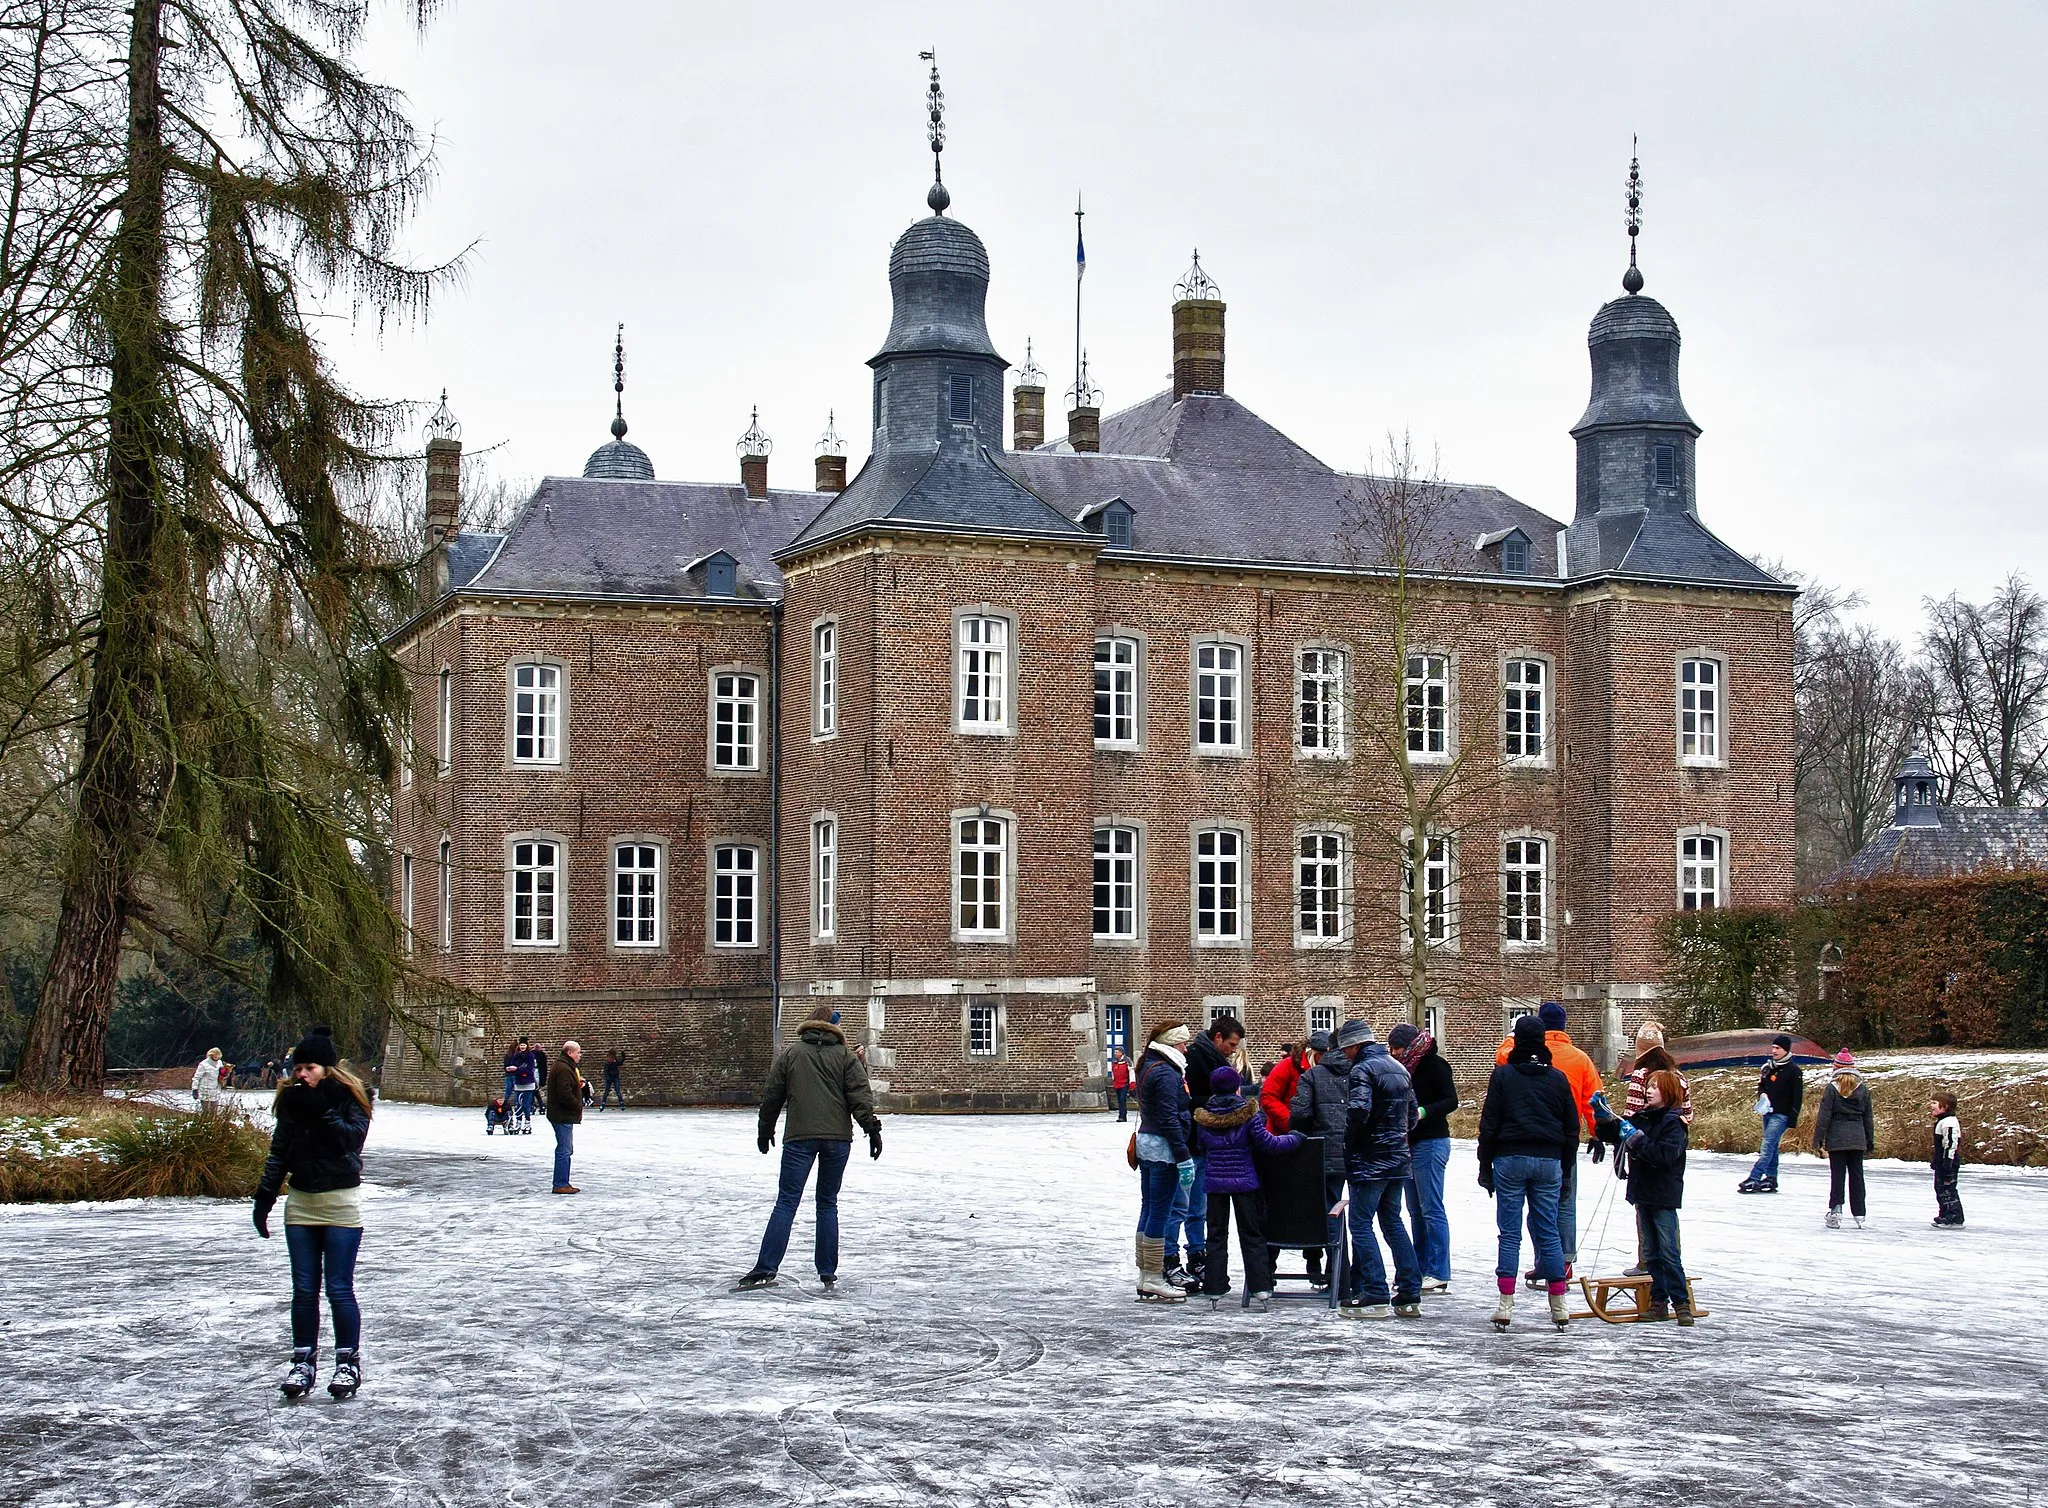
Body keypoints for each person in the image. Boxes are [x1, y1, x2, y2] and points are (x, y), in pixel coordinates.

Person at [252, 1026, 372, 1399]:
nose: (301, 1074)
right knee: (304, 1290)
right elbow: (280, 1152)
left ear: (327, 1069)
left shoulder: (352, 1097)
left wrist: (322, 1111)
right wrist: (265, 1196)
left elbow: (352, 1140)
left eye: (309, 1068)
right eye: (297, 1068)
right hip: (302, 1202)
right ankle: (302, 1360)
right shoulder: (291, 1102)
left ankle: (347, 1363)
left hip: (340, 1201)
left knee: (338, 1287)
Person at [739, 1006, 883, 1290]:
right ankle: (827, 1271)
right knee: (827, 1203)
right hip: (837, 1139)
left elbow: (772, 1096)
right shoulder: (845, 1057)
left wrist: (764, 1129)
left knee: (787, 1202)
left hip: (799, 1137)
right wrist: (872, 1129)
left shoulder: (792, 1055)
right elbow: (859, 1096)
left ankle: (765, 1268)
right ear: (833, 1027)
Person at [1477, 1014, 1580, 1329]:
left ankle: (1505, 1303)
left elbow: (1489, 1124)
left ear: (1517, 1042)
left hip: (1510, 1158)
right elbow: (1571, 1129)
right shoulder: (1558, 1079)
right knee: (1548, 1231)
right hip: (1549, 1161)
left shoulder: (1504, 1076)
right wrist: (1565, 1169)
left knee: (1509, 1233)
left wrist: (1485, 1165)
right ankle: (1559, 1304)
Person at [1494, 1001, 1599, 1282]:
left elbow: (1503, 1056)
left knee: (1524, 1214)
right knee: (1563, 1205)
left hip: (1517, 1145)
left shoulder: (1519, 1056)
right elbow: (1593, 1101)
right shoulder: (1580, 1059)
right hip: (1563, 1143)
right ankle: (1562, 1264)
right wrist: (1597, 1133)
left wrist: (1511, 1035)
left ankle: (1540, 1260)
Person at [1193, 1066, 1303, 1308]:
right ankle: (1261, 1286)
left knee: (1215, 1236)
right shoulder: (1248, 1113)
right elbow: (1268, 1143)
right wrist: (1295, 1138)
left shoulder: (1203, 1118)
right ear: (1236, 1086)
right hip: (1244, 1181)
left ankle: (1214, 1287)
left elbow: (1202, 1146)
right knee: (1252, 1235)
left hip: (1215, 1183)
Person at [1334, 1020, 1421, 1319]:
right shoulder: (1400, 1067)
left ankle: (1375, 1291)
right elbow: (1412, 1116)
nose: (1345, 1055)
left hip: (1370, 1160)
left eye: (1346, 1049)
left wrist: (1352, 1143)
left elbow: (1358, 1110)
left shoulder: (1362, 1070)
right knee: (1392, 1221)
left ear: (1355, 1045)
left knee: (1360, 1223)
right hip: (1397, 1158)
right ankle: (1410, 1289)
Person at [1596, 1068, 1694, 1324]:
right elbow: (1615, 1132)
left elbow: (1663, 1156)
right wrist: (1604, 1117)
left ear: (1669, 1092)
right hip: (1642, 1194)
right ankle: (1658, 1302)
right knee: (1651, 1253)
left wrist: (1637, 1140)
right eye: (1648, 1086)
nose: (1648, 1091)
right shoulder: (1643, 1117)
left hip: (1663, 1196)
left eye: (1655, 1087)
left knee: (1668, 1251)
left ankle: (1681, 1303)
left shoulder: (1674, 1123)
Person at [1128, 1021, 1194, 1302]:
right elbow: (1169, 1118)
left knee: (1149, 1208)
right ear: (1170, 1044)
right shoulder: (1166, 1073)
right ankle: (1153, 1276)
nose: (1185, 1048)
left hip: (1147, 1143)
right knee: (1160, 1212)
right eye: (1181, 1044)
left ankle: (1146, 1275)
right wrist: (1183, 1156)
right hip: (1163, 1148)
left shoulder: (1148, 1066)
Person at [1175, 1015, 1242, 1289]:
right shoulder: (1196, 1058)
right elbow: (1188, 1101)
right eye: (1231, 1043)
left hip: (1203, 1142)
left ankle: (1197, 1254)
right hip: (1194, 1142)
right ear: (1217, 1038)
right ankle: (1185, 1256)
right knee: (1185, 1206)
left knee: (1197, 1207)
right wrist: (1220, 1102)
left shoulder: (1210, 1057)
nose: (1234, 1049)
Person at [1390, 1023, 1457, 1295]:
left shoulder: (1435, 1065)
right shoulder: (1399, 1069)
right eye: (1391, 1048)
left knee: (1431, 1208)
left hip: (1431, 1142)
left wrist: (1423, 1112)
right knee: (1415, 1210)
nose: (1393, 1052)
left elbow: (1450, 1100)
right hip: (1408, 1144)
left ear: (1411, 1045)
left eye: (1398, 1047)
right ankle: (1418, 1266)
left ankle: (1438, 1270)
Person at [1287, 1028, 1348, 1289]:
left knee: (1317, 1209)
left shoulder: (1312, 1076)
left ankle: (1317, 1264)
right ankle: (1338, 1271)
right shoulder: (1357, 1072)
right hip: (1348, 1153)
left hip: (1317, 1153)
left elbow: (1299, 1113)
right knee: (1336, 1209)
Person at [1813, 1049, 1876, 1228]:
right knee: (1857, 1176)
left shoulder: (1831, 1089)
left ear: (1836, 1068)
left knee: (1837, 1176)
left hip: (1837, 1139)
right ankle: (1859, 1213)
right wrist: (1869, 1140)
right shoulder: (1863, 1089)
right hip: (1857, 1139)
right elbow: (1868, 1118)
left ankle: (1836, 1211)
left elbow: (1824, 1117)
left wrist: (1818, 1139)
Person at [1740, 1034, 1804, 1194]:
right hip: (1767, 1112)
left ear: (1785, 1050)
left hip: (1781, 1115)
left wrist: (1792, 1118)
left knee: (1767, 1145)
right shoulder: (1768, 1068)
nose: (1774, 1051)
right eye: (1773, 1047)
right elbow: (1762, 1086)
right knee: (1773, 1146)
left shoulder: (1793, 1070)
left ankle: (1754, 1177)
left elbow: (1797, 1097)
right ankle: (1771, 1178)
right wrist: (1762, 1095)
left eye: (1778, 1048)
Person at [545, 1041, 584, 1193]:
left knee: (565, 1148)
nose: (579, 1056)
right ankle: (560, 1183)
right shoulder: (564, 1068)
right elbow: (564, 1093)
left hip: (560, 1114)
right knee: (564, 1149)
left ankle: (562, 1182)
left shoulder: (564, 1066)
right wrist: (577, 1105)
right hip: (562, 1115)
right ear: (570, 1053)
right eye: (578, 1052)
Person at [1930, 1092, 1964, 1228]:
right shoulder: (1942, 1121)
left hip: (1948, 1161)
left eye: (1934, 1103)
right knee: (1939, 1188)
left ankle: (1954, 1216)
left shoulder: (1949, 1122)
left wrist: (1947, 1161)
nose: (1931, 1105)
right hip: (1942, 1161)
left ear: (1945, 1106)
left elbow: (1951, 1143)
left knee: (1947, 1189)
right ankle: (1944, 1213)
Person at [505, 1038, 540, 1129]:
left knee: (526, 1104)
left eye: (524, 1045)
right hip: (518, 1083)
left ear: (527, 1046)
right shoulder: (516, 1056)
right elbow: (513, 1066)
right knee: (518, 1104)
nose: (522, 1047)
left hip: (528, 1083)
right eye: (521, 1045)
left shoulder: (530, 1056)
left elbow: (529, 1069)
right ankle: (519, 1121)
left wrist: (517, 1070)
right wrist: (511, 1069)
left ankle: (527, 1123)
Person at [1109, 1048, 1134, 1122]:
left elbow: (1131, 1072)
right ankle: (1121, 1115)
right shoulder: (1114, 1062)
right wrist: (1114, 1080)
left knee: (1122, 1100)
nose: (1115, 1053)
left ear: (1121, 1053)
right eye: (1115, 1052)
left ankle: (1123, 1116)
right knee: (1119, 1100)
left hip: (1124, 1083)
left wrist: (1132, 1082)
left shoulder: (1127, 1061)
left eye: (1117, 1052)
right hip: (1117, 1084)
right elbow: (1113, 1072)